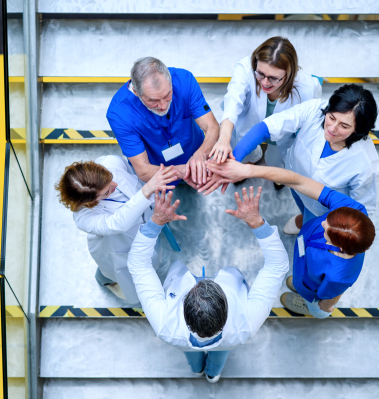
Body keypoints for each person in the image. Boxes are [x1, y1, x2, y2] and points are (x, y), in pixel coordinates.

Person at [127, 187, 289, 382]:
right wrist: (257, 223)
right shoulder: (246, 326)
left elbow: (139, 265)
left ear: (185, 314)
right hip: (228, 341)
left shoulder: (165, 328)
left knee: (189, 352)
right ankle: (213, 374)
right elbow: (277, 266)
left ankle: (196, 369)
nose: (202, 280)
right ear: (225, 307)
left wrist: (155, 223)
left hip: (183, 342)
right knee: (222, 352)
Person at [202, 84, 379, 235]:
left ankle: (308, 221)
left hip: (323, 210)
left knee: (312, 228)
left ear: (359, 130)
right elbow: (265, 128)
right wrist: (232, 162)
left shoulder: (364, 164)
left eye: (344, 126)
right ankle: (304, 216)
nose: (332, 128)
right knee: (300, 200)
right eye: (331, 117)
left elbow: (361, 209)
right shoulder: (315, 109)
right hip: (292, 180)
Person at [206, 159, 375, 318]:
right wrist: (249, 170)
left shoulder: (339, 275)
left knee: (315, 301)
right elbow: (299, 181)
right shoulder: (352, 211)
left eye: (327, 232)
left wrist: (321, 308)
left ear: (341, 247)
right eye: (327, 219)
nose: (322, 223)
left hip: (313, 288)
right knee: (302, 278)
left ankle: (309, 305)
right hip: (305, 261)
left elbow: (329, 299)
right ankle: (301, 283)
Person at [55, 156, 177, 304]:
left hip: (148, 229)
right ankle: (104, 281)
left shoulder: (110, 162)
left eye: (110, 178)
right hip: (121, 247)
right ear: (89, 202)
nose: (115, 184)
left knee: (156, 259)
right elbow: (117, 224)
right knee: (117, 274)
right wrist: (146, 191)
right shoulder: (84, 217)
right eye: (106, 192)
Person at [209, 36, 322, 181]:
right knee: (244, 154)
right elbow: (233, 101)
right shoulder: (245, 69)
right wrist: (224, 138)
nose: (265, 82)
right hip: (248, 127)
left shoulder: (308, 87)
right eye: (260, 74)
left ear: (289, 74)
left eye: (273, 78)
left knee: (277, 165)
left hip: (283, 136)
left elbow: (310, 119)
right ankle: (249, 162)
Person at [106, 57, 220, 188]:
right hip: (158, 173)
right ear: (136, 93)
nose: (163, 105)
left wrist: (200, 156)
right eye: (153, 100)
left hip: (195, 156)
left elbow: (212, 126)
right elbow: (143, 170)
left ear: (171, 82)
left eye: (167, 95)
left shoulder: (185, 80)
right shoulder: (119, 113)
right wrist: (187, 171)